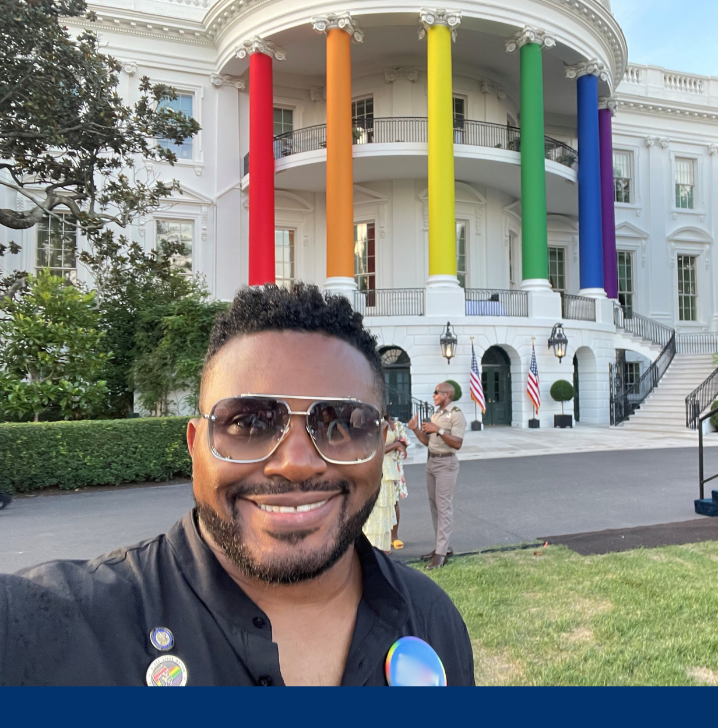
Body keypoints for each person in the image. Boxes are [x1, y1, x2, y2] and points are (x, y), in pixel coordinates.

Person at [0, 283, 474, 686]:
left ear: (381, 440)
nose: (294, 465)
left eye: (342, 425)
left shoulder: (430, 617)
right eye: (248, 424)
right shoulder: (50, 627)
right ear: (195, 445)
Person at [407, 384, 467, 571]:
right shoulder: (436, 414)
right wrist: (416, 430)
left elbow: (457, 443)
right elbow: (429, 442)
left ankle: (440, 554)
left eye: (437, 393)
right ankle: (443, 548)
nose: (433, 395)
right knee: (435, 507)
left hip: (446, 464)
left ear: (447, 395)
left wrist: (438, 430)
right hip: (432, 462)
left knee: (444, 507)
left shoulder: (456, 414)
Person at [362, 413, 408, 553]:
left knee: (391, 503)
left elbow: (404, 443)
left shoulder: (394, 424)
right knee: (376, 506)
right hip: (377, 467)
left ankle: (391, 538)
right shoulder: (369, 423)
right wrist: (395, 445)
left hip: (391, 467)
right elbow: (373, 451)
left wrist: (400, 445)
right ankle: (373, 543)